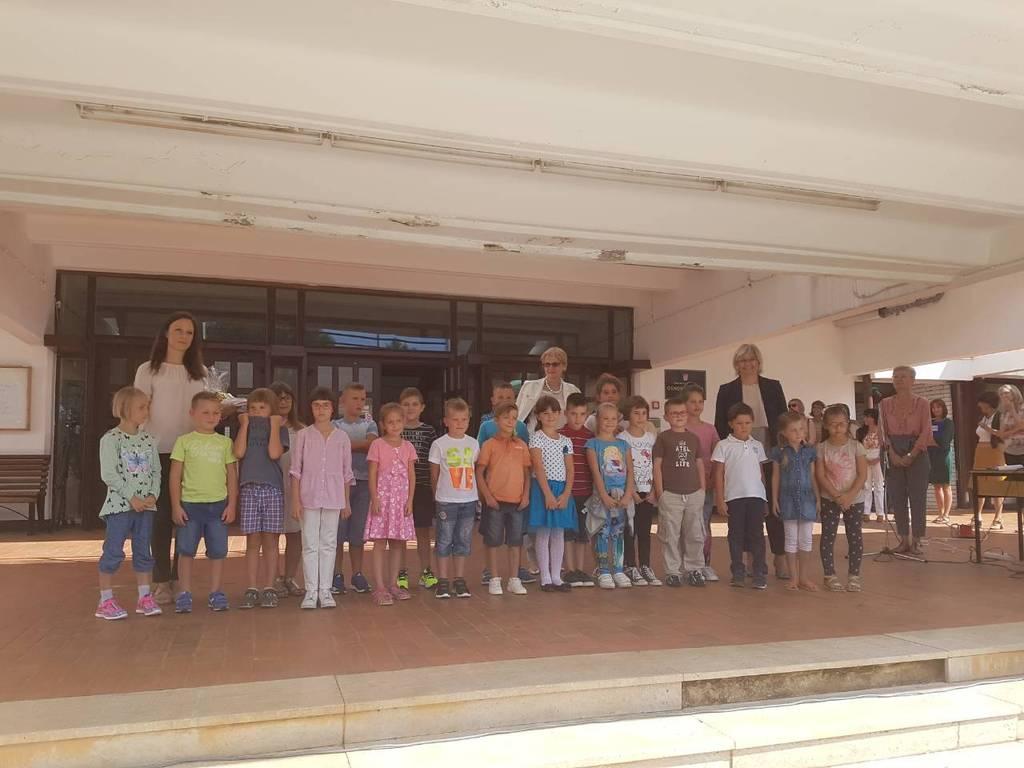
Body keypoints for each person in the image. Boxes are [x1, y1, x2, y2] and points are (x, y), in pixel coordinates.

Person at [133, 311, 208, 605]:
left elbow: (204, 408)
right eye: (178, 330)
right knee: (161, 518)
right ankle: (161, 580)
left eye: (189, 332)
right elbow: (137, 410)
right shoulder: (147, 370)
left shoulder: (200, 373)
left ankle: (180, 578)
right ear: (166, 333)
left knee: (187, 517)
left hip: (192, 454)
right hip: (157, 452)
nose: (183, 337)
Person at [714, 343, 789, 580]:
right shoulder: (726, 390)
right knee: (746, 507)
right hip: (739, 454)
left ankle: (779, 557)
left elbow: (784, 421)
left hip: (769, 450)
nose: (748, 364)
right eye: (743, 360)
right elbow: (719, 425)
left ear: (758, 362)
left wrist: (784, 450)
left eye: (751, 359)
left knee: (773, 504)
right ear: (737, 364)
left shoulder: (773, 386)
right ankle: (748, 559)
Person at [94, 386, 162, 620]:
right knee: (113, 551)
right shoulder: (111, 439)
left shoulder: (149, 440)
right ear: (125, 409)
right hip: (120, 507)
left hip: (146, 508)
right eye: (141, 407)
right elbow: (109, 474)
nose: (146, 412)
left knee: (143, 551)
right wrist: (132, 497)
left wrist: (153, 495)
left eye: (147, 407)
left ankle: (145, 597)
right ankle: (105, 600)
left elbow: (156, 471)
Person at [169, 391, 238, 613]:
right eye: (205, 412)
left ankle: (216, 592)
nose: (211, 417)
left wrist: (232, 504)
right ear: (192, 414)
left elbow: (232, 475)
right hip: (190, 505)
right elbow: (175, 476)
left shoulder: (225, 443)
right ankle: (184, 592)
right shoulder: (184, 442)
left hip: (218, 506)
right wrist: (176, 506)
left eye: (216, 413)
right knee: (186, 550)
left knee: (218, 551)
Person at [290, 387, 353, 609]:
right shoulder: (303, 435)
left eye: (325, 405)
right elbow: (295, 470)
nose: (321, 409)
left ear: (333, 408)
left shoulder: (342, 437)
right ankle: (311, 591)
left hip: (334, 497)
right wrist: (295, 500)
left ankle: (325, 590)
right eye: (317, 405)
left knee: (329, 543)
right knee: (309, 544)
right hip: (308, 496)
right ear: (311, 408)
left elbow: (347, 472)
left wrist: (346, 501)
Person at [234, 388, 288, 609]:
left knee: (271, 541)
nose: (257, 412)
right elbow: (238, 452)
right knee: (252, 541)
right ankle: (252, 587)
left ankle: (269, 586)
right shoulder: (245, 428)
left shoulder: (280, 429)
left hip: (272, 488)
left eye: (262, 408)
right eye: (253, 408)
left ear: (271, 410)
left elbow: (275, 453)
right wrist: (244, 425)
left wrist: (274, 425)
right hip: (249, 488)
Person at [712, 402, 770, 590]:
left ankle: (759, 573)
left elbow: (760, 473)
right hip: (734, 497)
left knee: (757, 535)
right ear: (731, 424)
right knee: (735, 535)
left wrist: (765, 498)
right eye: (739, 423)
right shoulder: (723, 445)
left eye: (747, 423)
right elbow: (718, 474)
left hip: (756, 497)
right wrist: (720, 499)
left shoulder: (757, 445)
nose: (743, 427)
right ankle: (738, 572)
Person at [365, 402, 418, 607]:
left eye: (398, 421)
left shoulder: (408, 447)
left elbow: (411, 475)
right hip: (383, 500)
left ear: (404, 422)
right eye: (390, 422)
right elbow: (372, 474)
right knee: (379, 543)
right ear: (383, 424)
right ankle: (379, 586)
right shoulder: (377, 445)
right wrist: (375, 498)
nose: (395, 425)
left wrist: (410, 500)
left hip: (401, 502)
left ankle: (393, 584)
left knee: (397, 542)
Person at [477, 402, 532, 596]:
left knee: (515, 541)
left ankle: (514, 579)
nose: (510, 421)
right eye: (506, 417)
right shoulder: (489, 445)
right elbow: (479, 472)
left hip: (517, 502)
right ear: (496, 420)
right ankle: (494, 578)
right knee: (493, 541)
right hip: (495, 502)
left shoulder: (521, 445)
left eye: (514, 418)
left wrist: (526, 495)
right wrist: (487, 496)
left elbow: (526, 473)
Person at [653, 396, 707, 588]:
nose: (679, 416)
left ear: (687, 414)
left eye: (682, 412)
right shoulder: (663, 438)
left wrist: (702, 489)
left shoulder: (693, 438)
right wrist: (660, 492)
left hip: (693, 493)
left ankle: (694, 569)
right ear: (666, 416)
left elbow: (699, 463)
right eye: (674, 413)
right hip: (671, 494)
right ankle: (672, 571)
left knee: (695, 534)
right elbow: (657, 465)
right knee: (671, 535)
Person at [879, 366, 933, 555]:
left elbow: (926, 430)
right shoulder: (884, 403)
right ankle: (903, 539)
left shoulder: (922, 403)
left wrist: (912, 454)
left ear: (913, 380)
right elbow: (882, 431)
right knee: (897, 497)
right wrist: (892, 453)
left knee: (918, 497)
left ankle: (917, 540)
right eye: (895, 376)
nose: (898, 380)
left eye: (903, 376)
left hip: (917, 450)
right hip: (893, 449)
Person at [430, 398, 479, 599]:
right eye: (455, 419)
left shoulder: (473, 443)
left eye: (464, 419)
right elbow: (434, 474)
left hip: (468, 499)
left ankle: (459, 579)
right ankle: (443, 580)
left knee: (463, 540)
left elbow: (475, 469)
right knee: (444, 539)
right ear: (446, 421)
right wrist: (438, 496)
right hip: (446, 500)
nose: (460, 423)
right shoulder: (439, 444)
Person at [332, 383, 378, 595]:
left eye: (362, 399)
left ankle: (357, 574)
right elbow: (333, 447)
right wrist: (358, 445)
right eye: (355, 398)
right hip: (340, 485)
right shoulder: (334, 425)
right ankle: (336, 574)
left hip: (364, 483)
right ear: (343, 401)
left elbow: (372, 445)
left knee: (358, 531)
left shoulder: (370, 424)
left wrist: (345, 445)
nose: (359, 403)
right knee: (338, 531)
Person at [816, 404, 868, 592]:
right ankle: (829, 575)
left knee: (855, 537)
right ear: (825, 426)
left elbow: (862, 474)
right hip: (830, 498)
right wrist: (837, 496)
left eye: (841, 424)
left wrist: (849, 496)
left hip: (854, 498)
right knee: (828, 536)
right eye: (833, 424)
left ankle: (854, 575)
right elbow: (821, 475)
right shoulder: (821, 448)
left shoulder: (856, 446)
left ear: (848, 424)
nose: (837, 428)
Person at [528, 396, 577, 592]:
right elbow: (538, 467)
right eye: (545, 413)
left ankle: (556, 576)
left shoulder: (565, 440)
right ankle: (545, 577)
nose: (550, 416)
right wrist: (547, 494)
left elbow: (570, 469)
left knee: (558, 533)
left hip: (561, 489)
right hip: (543, 489)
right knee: (543, 532)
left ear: (559, 414)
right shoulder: (537, 438)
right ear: (539, 416)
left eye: (554, 412)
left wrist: (566, 494)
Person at [585, 403, 636, 589]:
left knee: (618, 532)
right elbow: (596, 472)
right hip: (603, 496)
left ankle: (618, 569)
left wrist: (628, 495)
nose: (609, 422)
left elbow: (630, 472)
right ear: (598, 420)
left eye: (613, 419)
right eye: (605, 418)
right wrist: (603, 496)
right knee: (603, 531)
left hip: (622, 496)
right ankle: (604, 570)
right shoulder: (592, 445)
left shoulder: (624, 445)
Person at [770, 412, 819, 593]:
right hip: (787, 499)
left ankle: (804, 577)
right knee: (791, 538)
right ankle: (793, 577)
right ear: (784, 432)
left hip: (807, 499)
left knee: (806, 539)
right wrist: (774, 499)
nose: (799, 433)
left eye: (801, 429)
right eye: (793, 430)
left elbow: (813, 476)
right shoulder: (779, 452)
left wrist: (817, 497)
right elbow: (775, 476)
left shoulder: (809, 451)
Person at [398, 387, 439, 590]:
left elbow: (434, 462)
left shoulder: (429, 431)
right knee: (400, 534)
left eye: (414, 404)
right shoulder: (395, 429)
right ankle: (401, 572)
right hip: (399, 489)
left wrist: (435, 489)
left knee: (423, 531)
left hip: (422, 487)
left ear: (422, 407)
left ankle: (426, 571)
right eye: (406, 404)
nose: (410, 408)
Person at [618, 395, 660, 586]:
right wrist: (631, 492)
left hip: (647, 490)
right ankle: (630, 565)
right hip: (630, 492)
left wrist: (653, 490)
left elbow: (655, 465)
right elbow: (621, 468)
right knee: (629, 531)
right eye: (636, 413)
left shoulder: (651, 438)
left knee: (644, 531)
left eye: (644, 413)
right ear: (628, 414)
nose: (641, 417)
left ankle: (645, 565)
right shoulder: (622, 438)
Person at [271, 381, 305, 597]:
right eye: (279, 398)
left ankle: (290, 577)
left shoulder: (302, 430)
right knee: (271, 535)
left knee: (295, 534)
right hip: (271, 486)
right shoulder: (266, 426)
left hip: (295, 488)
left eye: (287, 398)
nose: (283, 402)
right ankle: (275, 578)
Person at [683, 383, 720, 582]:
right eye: (692, 402)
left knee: (703, 523)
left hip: (705, 485)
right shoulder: (680, 428)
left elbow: (718, 456)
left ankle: (704, 563)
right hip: (684, 485)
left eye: (700, 401)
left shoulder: (710, 429)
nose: (697, 405)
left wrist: (714, 478)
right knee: (686, 525)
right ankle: (689, 564)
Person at [559, 392, 596, 587]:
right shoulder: (559, 435)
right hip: (566, 493)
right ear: (566, 413)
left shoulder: (590, 437)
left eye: (582, 414)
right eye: (573, 414)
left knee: (583, 533)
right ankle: (570, 570)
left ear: (587, 415)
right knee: (568, 533)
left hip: (585, 492)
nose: (577, 418)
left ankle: (580, 569)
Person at [515, 346, 581, 430]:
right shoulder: (529, 387)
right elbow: (517, 415)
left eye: (555, 364)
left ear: (564, 366)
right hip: (533, 435)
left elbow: (579, 417)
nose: (550, 368)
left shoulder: (574, 390)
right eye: (547, 364)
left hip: (563, 436)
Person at [984, 384, 1024, 522]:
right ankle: (1021, 521)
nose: (1004, 396)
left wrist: (1013, 410)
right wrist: (990, 430)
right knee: (1017, 486)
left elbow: (1022, 424)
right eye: (1001, 394)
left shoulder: (1022, 408)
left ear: (1014, 393)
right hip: (1010, 450)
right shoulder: (1003, 413)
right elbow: (1002, 433)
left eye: (1006, 393)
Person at [973, 391, 1005, 529]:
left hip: (994, 451)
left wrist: (987, 428)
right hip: (980, 450)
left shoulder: (999, 416)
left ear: (989, 404)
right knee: (979, 484)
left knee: (996, 484)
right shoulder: (983, 417)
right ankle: (977, 516)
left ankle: (998, 518)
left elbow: (1002, 434)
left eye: (982, 403)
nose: (980, 406)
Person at [856, 409, 886, 522]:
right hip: (865, 459)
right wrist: (864, 459)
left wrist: (879, 458)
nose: (866, 419)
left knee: (879, 486)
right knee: (866, 485)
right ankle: (866, 512)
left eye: (869, 417)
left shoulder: (881, 430)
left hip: (878, 459)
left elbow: (884, 446)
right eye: (865, 417)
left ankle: (880, 513)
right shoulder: (861, 431)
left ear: (874, 418)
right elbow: (858, 446)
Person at [928, 400, 955, 525]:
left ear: (943, 408)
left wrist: (933, 442)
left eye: (938, 407)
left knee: (946, 485)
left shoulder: (948, 423)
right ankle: (940, 513)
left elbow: (945, 441)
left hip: (944, 456)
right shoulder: (930, 423)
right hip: (932, 456)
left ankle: (946, 515)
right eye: (933, 408)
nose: (935, 410)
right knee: (936, 486)